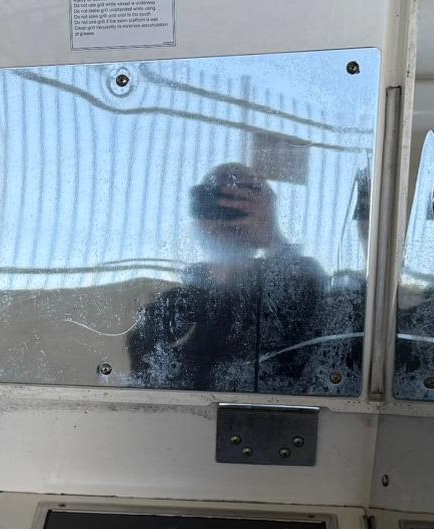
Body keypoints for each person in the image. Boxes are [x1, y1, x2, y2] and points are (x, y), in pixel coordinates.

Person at [127, 163, 336, 393]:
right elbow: (145, 387)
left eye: (241, 200)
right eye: (212, 200)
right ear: (197, 214)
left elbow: (319, 348)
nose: (225, 211)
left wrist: (273, 239)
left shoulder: (291, 289)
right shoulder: (167, 310)